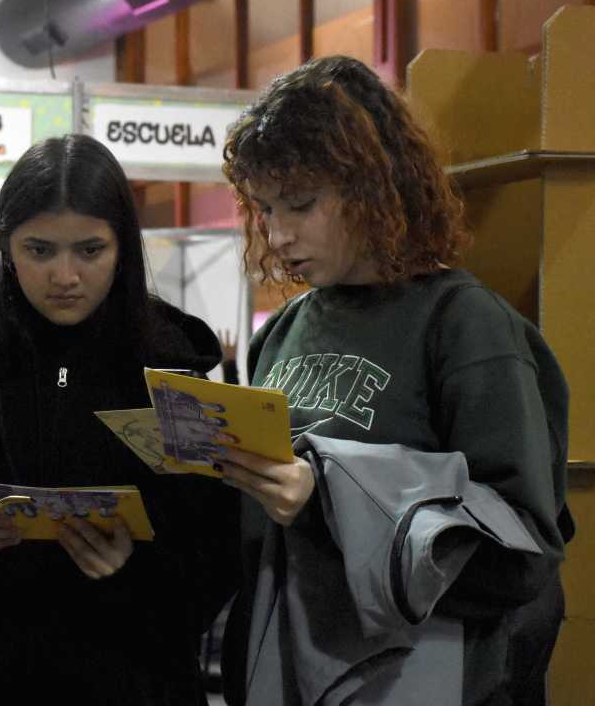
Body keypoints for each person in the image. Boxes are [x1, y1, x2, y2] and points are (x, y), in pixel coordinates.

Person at [217, 56, 572, 705]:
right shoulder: (285, 331)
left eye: (300, 204)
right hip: (297, 672)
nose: (277, 232)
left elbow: (520, 559)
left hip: (426, 679)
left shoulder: (465, 327)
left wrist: (329, 503)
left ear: (375, 189)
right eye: (264, 208)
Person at [0, 134, 240, 705]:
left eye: (89, 250)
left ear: (122, 248)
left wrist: (133, 569)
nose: (65, 276)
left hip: (130, 671)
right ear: (6, 245)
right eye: (40, 250)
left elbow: (215, 551)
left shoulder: (173, 358)